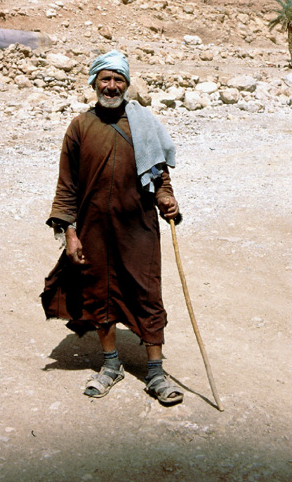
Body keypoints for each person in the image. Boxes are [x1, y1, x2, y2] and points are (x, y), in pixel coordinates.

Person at [41, 49, 183, 405]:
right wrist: (69, 232)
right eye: (105, 78)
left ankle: (155, 373)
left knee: (146, 292)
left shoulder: (144, 123)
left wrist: (166, 197)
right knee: (98, 292)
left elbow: (159, 173)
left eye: (118, 79)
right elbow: (67, 184)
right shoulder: (79, 127)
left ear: (127, 84)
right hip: (92, 229)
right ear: (93, 83)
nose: (111, 85)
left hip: (138, 226)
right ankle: (110, 365)